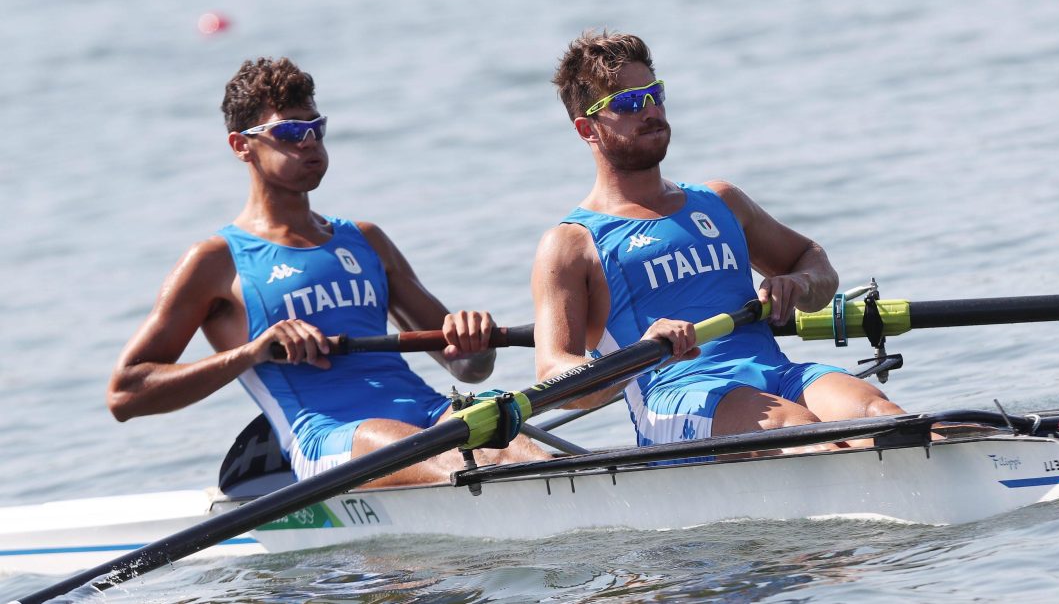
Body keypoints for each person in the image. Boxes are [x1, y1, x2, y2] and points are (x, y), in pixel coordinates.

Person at [107, 57, 547, 486]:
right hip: (329, 437)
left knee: (527, 452)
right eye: (289, 131)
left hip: (430, 413)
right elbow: (125, 394)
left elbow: (469, 371)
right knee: (444, 460)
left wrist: (474, 340)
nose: (309, 142)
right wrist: (253, 351)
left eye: (315, 128)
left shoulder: (365, 240)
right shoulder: (216, 262)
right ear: (242, 145)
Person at [532, 31, 904, 450]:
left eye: (654, 93)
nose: (651, 110)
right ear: (588, 129)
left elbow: (814, 264)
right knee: (799, 428)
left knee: (882, 416)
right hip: (675, 399)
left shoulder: (721, 201)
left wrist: (797, 284)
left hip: (773, 372)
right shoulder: (570, 245)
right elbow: (553, 374)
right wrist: (636, 354)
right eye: (628, 103)